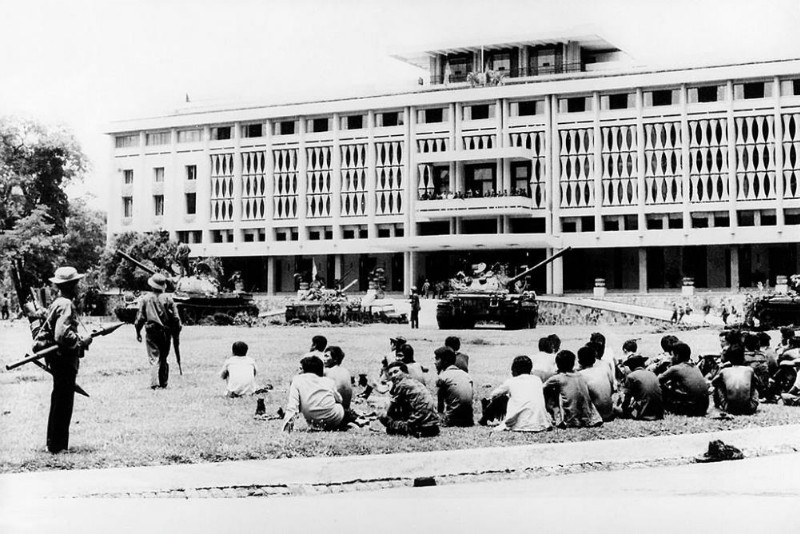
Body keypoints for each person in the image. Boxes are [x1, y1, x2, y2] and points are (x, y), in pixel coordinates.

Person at [38, 267, 93, 453]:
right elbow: (61, 334)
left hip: (57, 358)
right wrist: (81, 341)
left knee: (59, 399)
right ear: (72, 285)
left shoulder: (58, 302)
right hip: (64, 359)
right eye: (76, 283)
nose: (78, 286)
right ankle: (58, 447)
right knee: (64, 401)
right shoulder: (66, 304)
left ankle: (53, 443)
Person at [135, 273, 182, 390]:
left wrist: (138, 332)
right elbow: (176, 318)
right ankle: (163, 382)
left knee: (153, 358)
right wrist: (177, 331)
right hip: (166, 332)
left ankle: (154, 383)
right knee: (164, 357)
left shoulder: (145, 299)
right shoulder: (168, 298)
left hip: (151, 332)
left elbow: (140, 318)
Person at [481, 355, 552, 432]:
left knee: (501, 398)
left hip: (519, 425)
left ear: (514, 370)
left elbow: (494, 394)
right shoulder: (537, 380)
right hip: (540, 424)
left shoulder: (511, 381)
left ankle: (485, 418)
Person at [282, 355, 351, 432]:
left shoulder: (297, 380)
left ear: (306, 369)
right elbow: (340, 400)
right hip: (333, 418)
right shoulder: (328, 381)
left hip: (313, 420)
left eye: (301, 368)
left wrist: (286, 428)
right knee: (341, 408)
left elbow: (292, 406)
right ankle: (348, 422)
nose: (298, 371)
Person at [543, 350, 603, 428]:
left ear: (558, 365)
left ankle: (555, 416)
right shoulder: (580, 375)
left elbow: (542, 387)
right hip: (588, 417)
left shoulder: (558, 378)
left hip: (571, 420)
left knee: (552, 390)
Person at [379, 362, 440, 437]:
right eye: (390, 374)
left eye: (396, 372)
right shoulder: (415, 382)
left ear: (405, 372)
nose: (393, 376)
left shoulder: (402, 384)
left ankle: (407, 430)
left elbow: (389, 411)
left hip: (420, 425)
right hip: (433, 424)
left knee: (382, 416)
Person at [658, 342, 709, 416]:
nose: (670, 357)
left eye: (672, 355)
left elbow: (658, 380)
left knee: (661, 387)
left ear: (677, 356)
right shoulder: (695, 367)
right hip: (703, 407)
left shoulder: (675, 369)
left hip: (691, 408)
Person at [711, 344, 759, 415]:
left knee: (719, 384)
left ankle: (717, 405)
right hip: (749, 407)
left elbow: (713, 382)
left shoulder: (724, 371)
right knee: (753, 382)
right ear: (743, 357)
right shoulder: (749, 370)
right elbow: (758, 382)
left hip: (730, 408)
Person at [434, 346, 474, 427]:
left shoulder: (443, 377)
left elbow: (440, 404)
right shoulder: (466, 375)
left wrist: (440, 415)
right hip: (469, 419)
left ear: (444, 361)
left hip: (452, 419)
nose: (435, 362)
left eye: (437, 359)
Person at [619, 354, 664, 420]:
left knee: (615, 409)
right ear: (643, 364)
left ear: (631, 367)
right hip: (659, 413)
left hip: (643, 413)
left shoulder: (631, 376)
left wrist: (623, 409)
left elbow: (627, 399)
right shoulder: (652, 374)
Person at [577, 345, 615, 421]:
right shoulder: (603, 369)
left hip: (598, 414)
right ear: (594, 360)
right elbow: (612, 387)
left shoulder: (581, 375)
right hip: (609, 411)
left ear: (579, 361)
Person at [323, 345, 353, 410]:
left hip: (335, 411)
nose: (323, 359)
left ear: (335, 359)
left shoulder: (326, 371)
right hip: (346, 410)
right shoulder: (345, 371)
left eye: (326, 356)